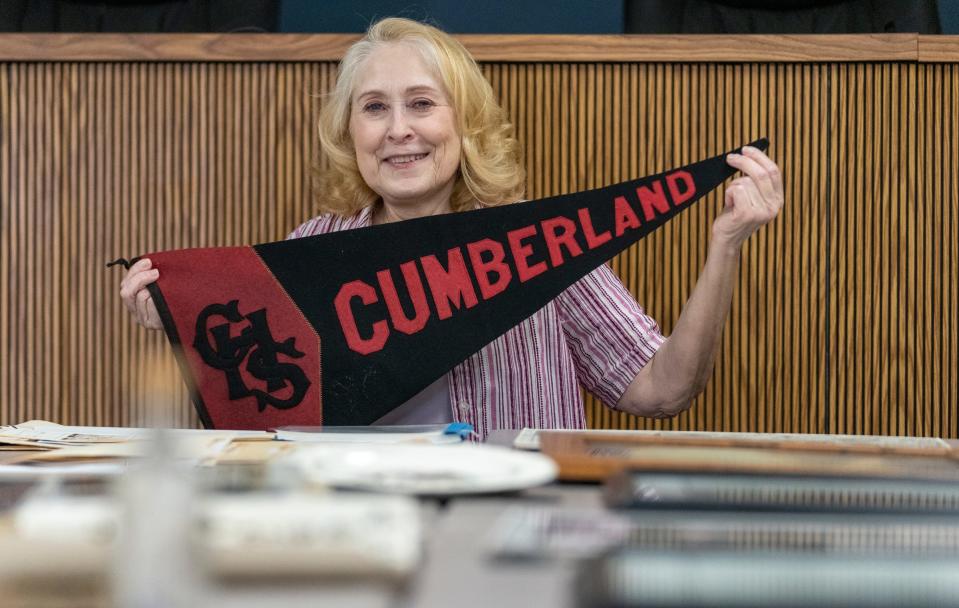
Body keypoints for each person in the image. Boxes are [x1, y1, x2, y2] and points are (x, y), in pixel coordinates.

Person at [120, 17, 783, 437]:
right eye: (374, 108)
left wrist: (723, 248)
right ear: (350, 135)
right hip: (351, 540)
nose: (398, 129)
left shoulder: (539, 245)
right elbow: (258, 419)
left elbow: (659, 393)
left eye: (421, 104)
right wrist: (180, 321)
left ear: (463, 126)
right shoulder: (308, 253)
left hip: (514, 537)